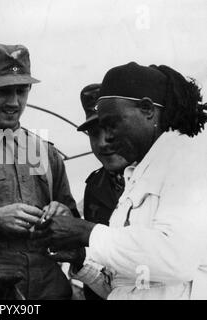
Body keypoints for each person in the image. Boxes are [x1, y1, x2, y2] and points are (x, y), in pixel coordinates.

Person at [32, 62, 207, 299]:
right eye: (100, 129)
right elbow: (126, 286)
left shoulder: (187, 158)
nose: (108, 138)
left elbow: (177, 257)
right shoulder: (138, 173)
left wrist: (87, 232)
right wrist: (82, 259)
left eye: (112, 124)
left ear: (147, 109)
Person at [0, 44, 79, 299]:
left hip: (50, 287)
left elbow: (72, 222)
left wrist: (63, 216)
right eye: (3, 91)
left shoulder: (48, 153)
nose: (14, 102)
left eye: (22, 91)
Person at [76, 84, 129, 299]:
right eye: (94, 133)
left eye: (111, 129)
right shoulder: (95, 186)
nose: (102, 143)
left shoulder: (163, 175)